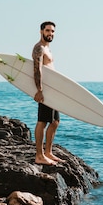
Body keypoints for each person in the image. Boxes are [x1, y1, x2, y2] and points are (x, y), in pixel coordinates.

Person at [32, 21, 63, 165]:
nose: (50, 34)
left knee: (55, 122)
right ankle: (39, 155)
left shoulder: (48, 49)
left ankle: (48, 152)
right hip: (44, 90)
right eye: (48, 31)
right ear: (41, 31)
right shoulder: (39, 48)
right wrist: (39, 90)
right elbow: (37, 70)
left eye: (52, 31)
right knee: (42, 121)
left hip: (52, 90)